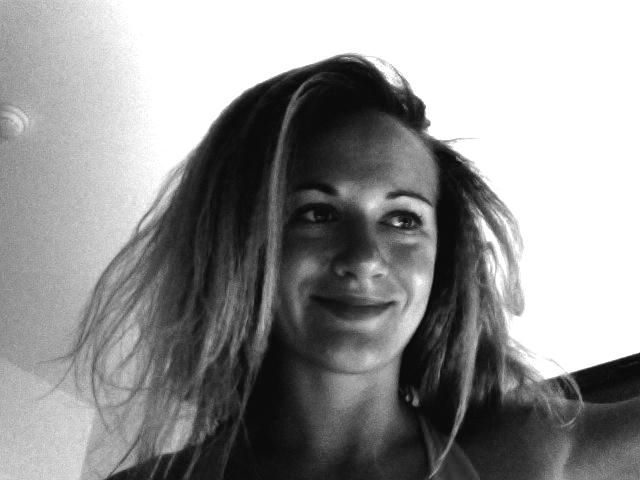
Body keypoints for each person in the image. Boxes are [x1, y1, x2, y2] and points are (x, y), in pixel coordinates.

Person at [62, 54, 640, 479]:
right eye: (316, 213)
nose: (364, 258)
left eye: (403, 219)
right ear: (243, 244)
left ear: (443, 257)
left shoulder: (533, 458)